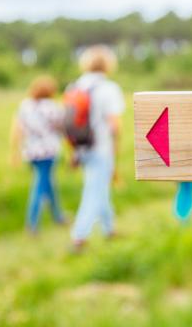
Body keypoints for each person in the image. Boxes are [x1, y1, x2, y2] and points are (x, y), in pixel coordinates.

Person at [69, 45, 125, 250]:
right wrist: (116, 146)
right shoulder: (109, 88)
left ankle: (109, 229)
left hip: (81, 148)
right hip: (101, 147)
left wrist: (73, 152)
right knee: (94, 190)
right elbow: (115, 124)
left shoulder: (75, 87)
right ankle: (79, 236)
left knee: (98, 187)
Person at [10, 75, 65, 233]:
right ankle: (32, 223)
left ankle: (58, 215)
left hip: (30, 152)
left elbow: (18, 129)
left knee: (48, 183)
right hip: (47, 152)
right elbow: (62, 128)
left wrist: (14, 152)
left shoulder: (25, 106)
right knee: (40, 186)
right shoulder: (52, 107)